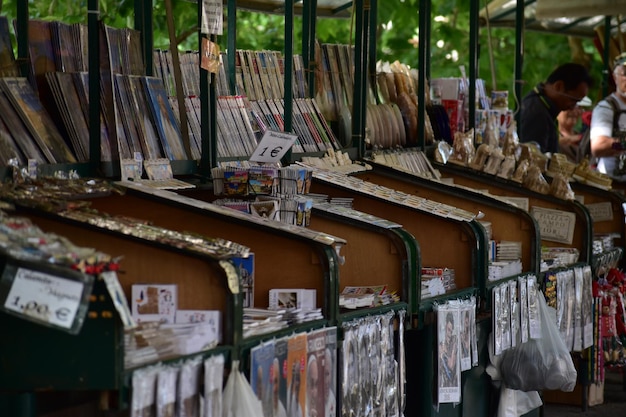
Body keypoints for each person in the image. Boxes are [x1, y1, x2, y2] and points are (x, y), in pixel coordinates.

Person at [520, 63, 592, 154]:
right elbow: (533, 160)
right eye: (573, 100)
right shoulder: (537, 113)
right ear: (558, 86)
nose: (574, 107)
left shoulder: (543, 108)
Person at [590, 52, 626, 181]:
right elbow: (598, 146)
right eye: (625, 73)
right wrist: (623, 144)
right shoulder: (606, 107)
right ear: (615, 77)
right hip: (613, 186)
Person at [439, 311, 458, 388]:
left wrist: (444, 354)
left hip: (452, 382)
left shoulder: (454, 343)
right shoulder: (441, 344)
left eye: (451, 330)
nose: (449, 333)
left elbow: (451, 365)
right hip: (442, 382)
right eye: (447, 330)